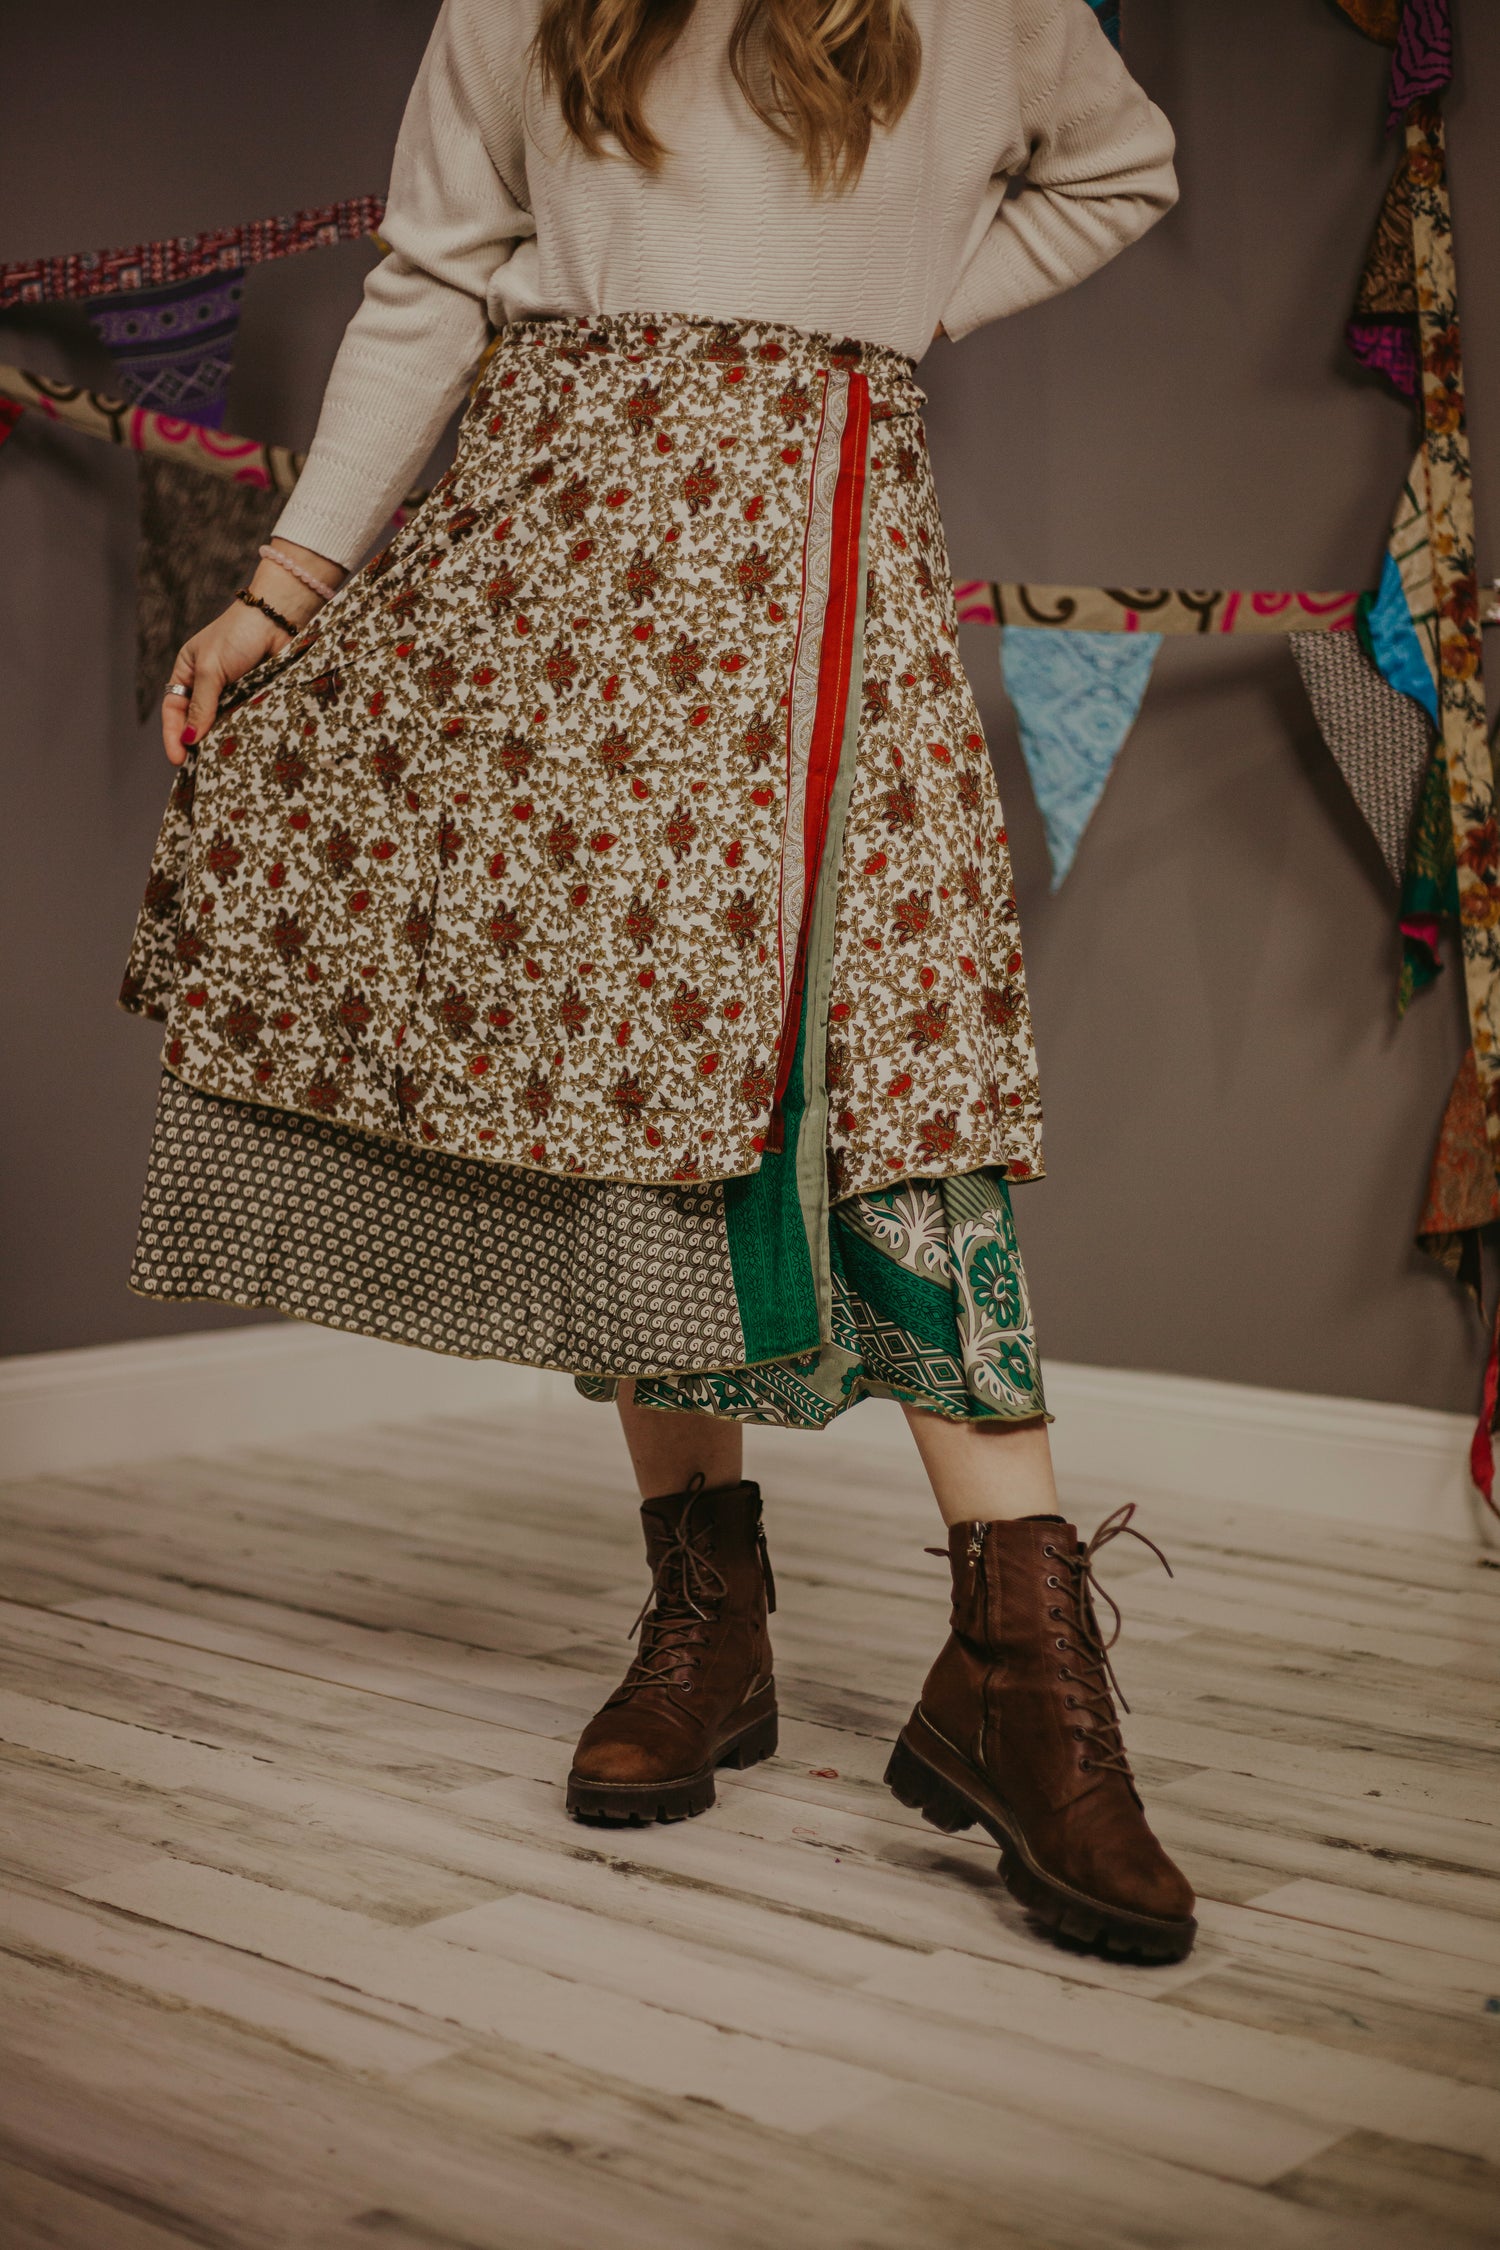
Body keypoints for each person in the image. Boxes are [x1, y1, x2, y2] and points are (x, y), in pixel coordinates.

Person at [124, 0, 1194, 1962]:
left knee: (894, 1072)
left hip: (820, 543)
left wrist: (912, 309)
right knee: (621, 1075)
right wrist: (284, 587)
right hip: (556, 559)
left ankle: (1021, 1673)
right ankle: (710, 1623)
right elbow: (435, 276)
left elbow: (1123, 169)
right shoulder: (524, 6)